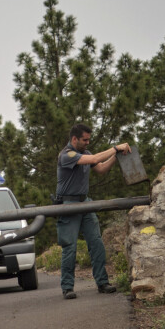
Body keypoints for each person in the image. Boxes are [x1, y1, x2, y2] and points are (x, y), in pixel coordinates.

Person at [55, 124, 131, 299]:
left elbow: (101, 168)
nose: (88, 142)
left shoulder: (87, 154)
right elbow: (94, 159)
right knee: (70, 247)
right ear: (74, 139)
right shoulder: (67, 155)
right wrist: (115, 148)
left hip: (85, 203)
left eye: (89, 139)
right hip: (69, 204)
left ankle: (102, 282)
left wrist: (116, 155)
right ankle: (67, 287)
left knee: (96, 243)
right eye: (85, 140)